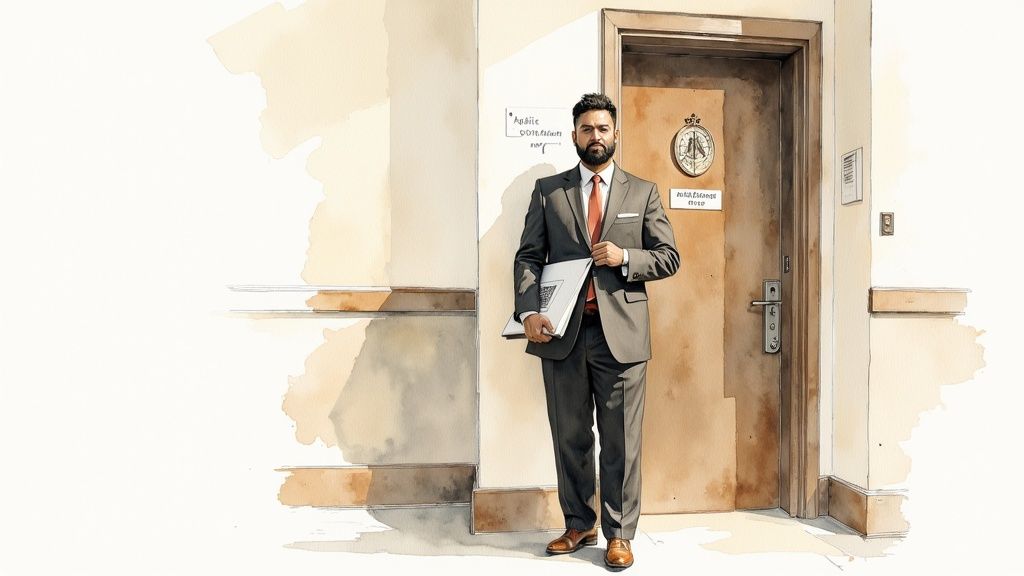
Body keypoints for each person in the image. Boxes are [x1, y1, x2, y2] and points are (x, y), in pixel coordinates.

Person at [513, 93, 680, 569]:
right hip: (562, 334)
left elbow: (669, 257)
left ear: (615, 135)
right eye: (586, 129)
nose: (595, 137)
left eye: (602, 129)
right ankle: (579, 523)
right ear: (574, 137)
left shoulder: (641, 191)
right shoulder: (549, 191)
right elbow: (528, 257)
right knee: (570, 435)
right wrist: (528, 313)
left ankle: (620, 533)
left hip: (621, 337)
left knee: (621, 441)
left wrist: (625, 257)